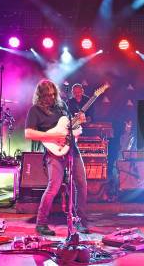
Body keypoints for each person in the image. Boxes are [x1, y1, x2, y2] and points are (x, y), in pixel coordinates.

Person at [24, 79, 89, 236]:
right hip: (53, 151)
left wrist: (79, 122)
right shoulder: (35, 110)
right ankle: (41, 223)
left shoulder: (62, 106)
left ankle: (79, 221)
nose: (51, 98)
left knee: (82, 183)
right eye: (47, 96)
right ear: (41, 96)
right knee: (54, 187)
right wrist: (53, 135)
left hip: (71, 148)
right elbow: (28, 133)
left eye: (54, 95)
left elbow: (69, 126)